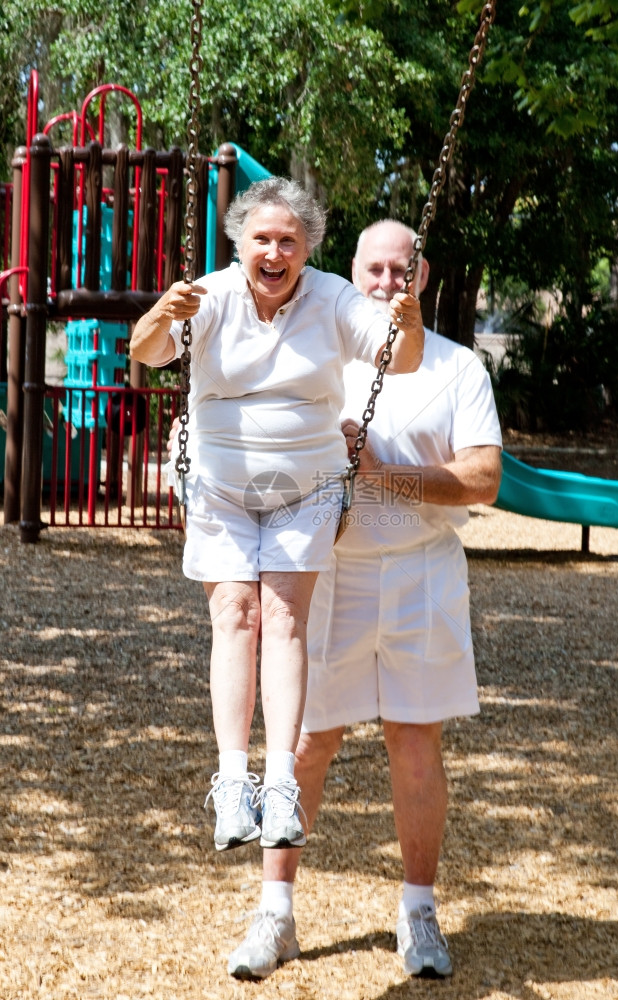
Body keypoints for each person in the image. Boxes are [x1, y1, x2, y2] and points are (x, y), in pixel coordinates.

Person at [226, 219, 503, 980]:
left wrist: (386, 476)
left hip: (422, 572)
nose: (387, 283)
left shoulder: (457, 368)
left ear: (422, 277)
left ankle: (418, 911)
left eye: (400, 271)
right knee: (306, 743)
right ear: (353, 275)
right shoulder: (323, 356)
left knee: (414, 744)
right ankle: (274, 914)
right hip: (332, 572)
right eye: (373, 271)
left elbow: (483, 478)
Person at [130, 182, 425, 856]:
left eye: (288, 240)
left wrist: (407, 326)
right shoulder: (209, 294)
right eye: (262, 239)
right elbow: (147, 353)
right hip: (221, 488)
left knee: (284, 614)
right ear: (241, 245)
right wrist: (159, 315)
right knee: (235, 612)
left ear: (307, 248)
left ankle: (282, 783)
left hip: (307, 488)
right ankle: (234, 783)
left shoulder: (332, 298)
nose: (274, 251)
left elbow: (398, 361)